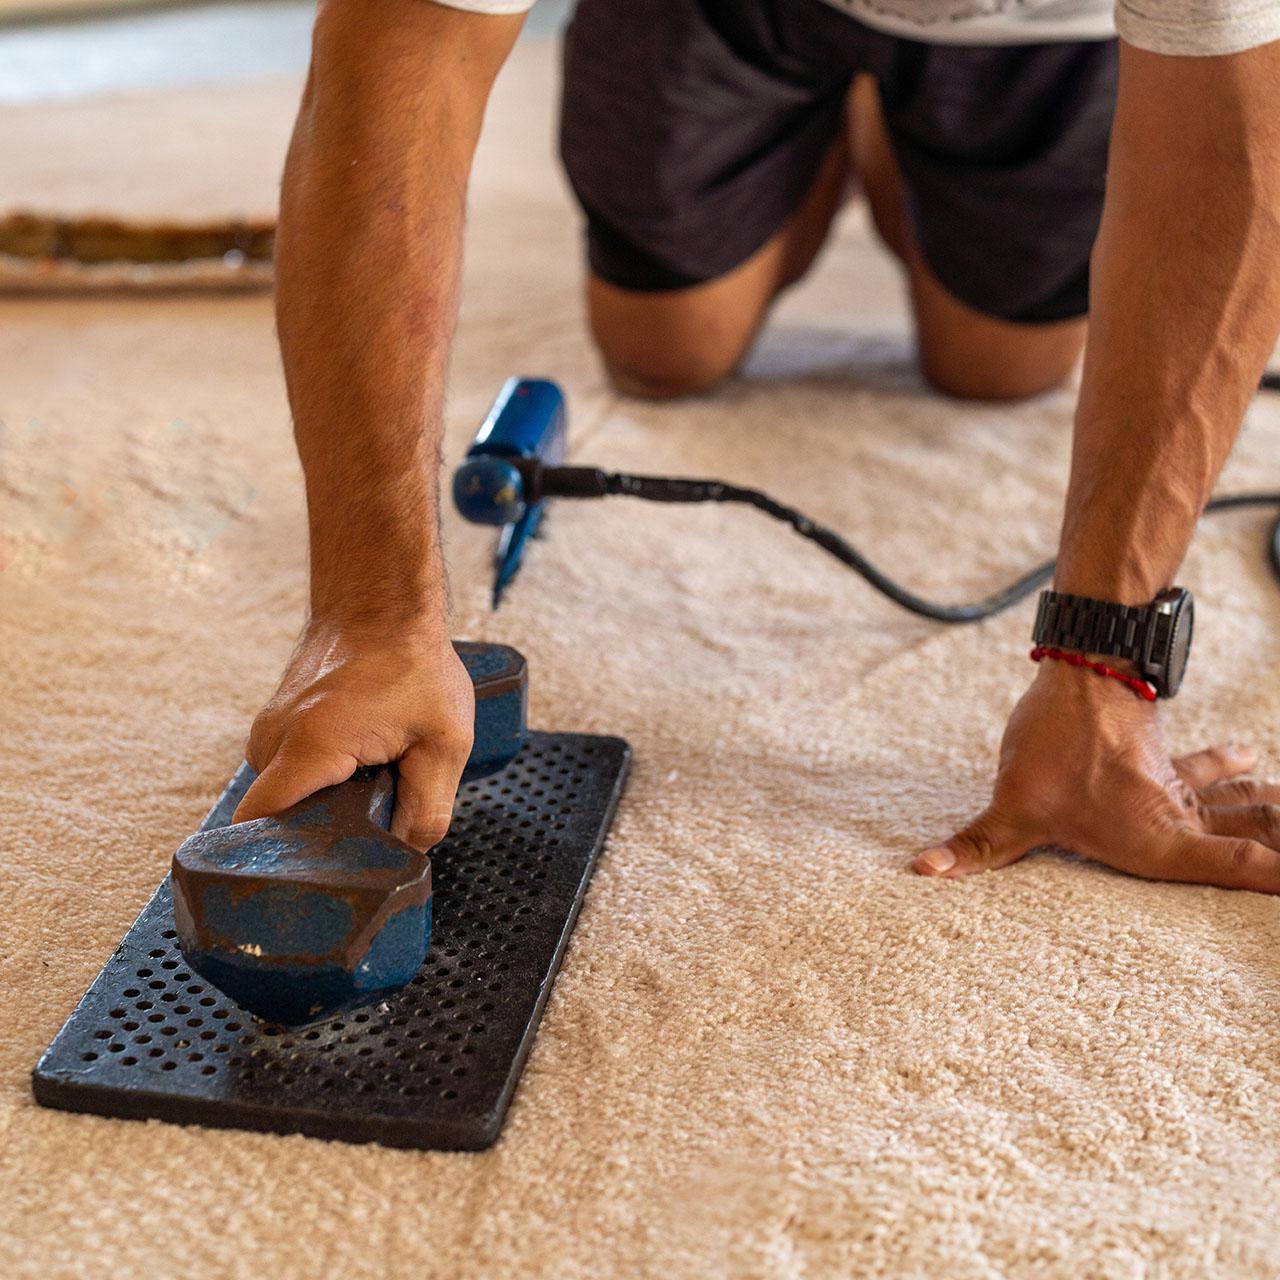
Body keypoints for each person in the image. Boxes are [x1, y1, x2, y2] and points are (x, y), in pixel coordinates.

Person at [233, 0, 1280, 891]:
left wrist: (1102, 668)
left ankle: (881, 124)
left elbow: (1227, 143)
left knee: (1000, 364)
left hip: (1030, 29)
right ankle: (816, 122)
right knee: (667, 347)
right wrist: (370, 618)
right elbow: (393, 70)